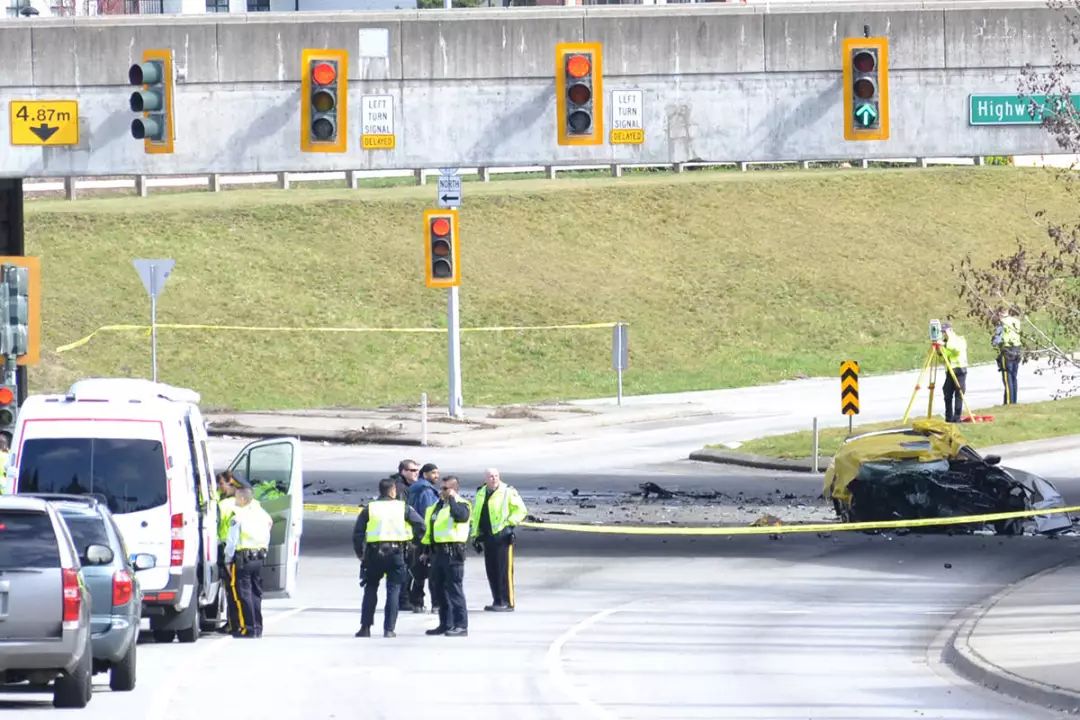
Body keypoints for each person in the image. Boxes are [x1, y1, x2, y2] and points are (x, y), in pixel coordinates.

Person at [352, 477, 424, 638]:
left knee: (370, 589)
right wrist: (414, 543)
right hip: (396, 553)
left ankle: (365, 628)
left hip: (373, 553)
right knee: (393, 590)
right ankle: (389, 629)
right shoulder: (403, 507)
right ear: (392, 491)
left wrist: (360, 554)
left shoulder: (370, 508)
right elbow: (421, 525)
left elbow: (358, 533)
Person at [470, 468, 528, 612]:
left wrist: (509, 525)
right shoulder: (481, 492)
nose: (494, 479)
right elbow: (476, 515)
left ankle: (507, 602)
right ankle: (497, 600)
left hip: (502, 536)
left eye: (496, 476)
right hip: (488, 536)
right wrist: (475, 535)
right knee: (492, 570)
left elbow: (521, 510)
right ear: (485, 479)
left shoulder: (508, 491)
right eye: (490, 476)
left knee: (504, 571)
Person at [421, 475, 471, 637]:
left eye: (445, 488)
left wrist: (452, 500)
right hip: (437, 553)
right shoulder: (437, 506)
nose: (441, 491)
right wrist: (426, 551)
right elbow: (431, 530)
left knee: (455, 590)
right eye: (441, 488)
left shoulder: (462, 504)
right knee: (439, 590)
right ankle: (445, 623)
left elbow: (461, 517)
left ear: (454, 489)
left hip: (453, 553)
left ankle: (461, 625)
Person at [224, 484, 273, 639]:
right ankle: (258, 627)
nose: (235, 502)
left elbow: (232, 541)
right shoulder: (262, 514)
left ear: (243, 499)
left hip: (243, 558)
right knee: (255, 593)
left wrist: (227, 559)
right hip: (259, 557)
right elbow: (270, 525)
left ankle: (247, 628)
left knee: (242, 594)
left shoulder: (238, 517)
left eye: (237, 499)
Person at [407, 463, 441, 612]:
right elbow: (429, 515)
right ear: (425, 474)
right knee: (433, 571)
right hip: (425, 535)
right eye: (433, 473)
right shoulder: (426, 491)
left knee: (418, 571)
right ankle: (436, 604)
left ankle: (416, 602)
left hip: (414, 535)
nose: (437, 476)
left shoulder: (414, 488)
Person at [391, 459, 420, 612]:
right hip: (404, 536)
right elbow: (403, 512)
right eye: (412, 470)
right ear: (403, 471)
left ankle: (404, 598)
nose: (416, 473)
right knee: (405, 569)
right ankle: (403, 600)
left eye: (417, 470)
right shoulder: (401, 488)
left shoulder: (406, 486)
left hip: (404, 535)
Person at [215, 471, 241, 634]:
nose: (219, 488)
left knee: (231, 589)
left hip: (227, 548)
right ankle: (236, 621)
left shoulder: (224, 505)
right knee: (235, 589)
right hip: (238, 549)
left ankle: (233, 623)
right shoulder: (243, 502)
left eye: (221, 485)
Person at [991, 306, 1023, 404]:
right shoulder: (1016, 321)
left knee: (1007, 376)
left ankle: (1009, 401)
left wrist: (994, 341)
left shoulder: (1002, 323)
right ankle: (1014, 400)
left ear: (1000, 313)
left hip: (1007, 350)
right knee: (1014, 376)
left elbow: (997, 340)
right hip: (1017, 350)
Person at [939, 323, 969, 423]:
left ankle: (957, 418)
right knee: (947, 393)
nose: (944, 334)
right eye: (942, 332)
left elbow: (956, 350)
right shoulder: (946, 342)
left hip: (960, 369)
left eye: (945, 331)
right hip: (950, 370)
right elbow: (945, 356)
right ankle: (949, 417)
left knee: (959, 393)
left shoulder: (959, 339)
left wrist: (944, 345)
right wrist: (939, 351)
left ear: (951, 330)